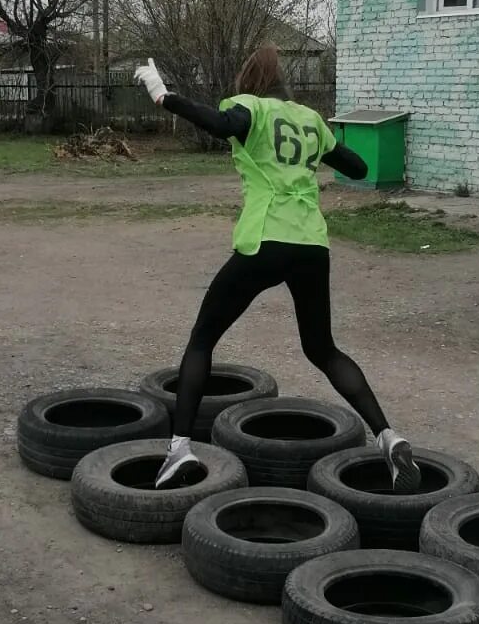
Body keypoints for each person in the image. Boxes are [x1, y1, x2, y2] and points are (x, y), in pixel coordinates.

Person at [134, 45, 421, 491]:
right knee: (322, 348)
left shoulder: (251, 108)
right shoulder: (309, 119)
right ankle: (389, 436)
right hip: (311, 243)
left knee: (203, 337)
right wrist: (324, 152)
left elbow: (219, 123)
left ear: (249, 81)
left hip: (266, 238)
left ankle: (179, 447)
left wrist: (162, 95)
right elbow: (359, 167)